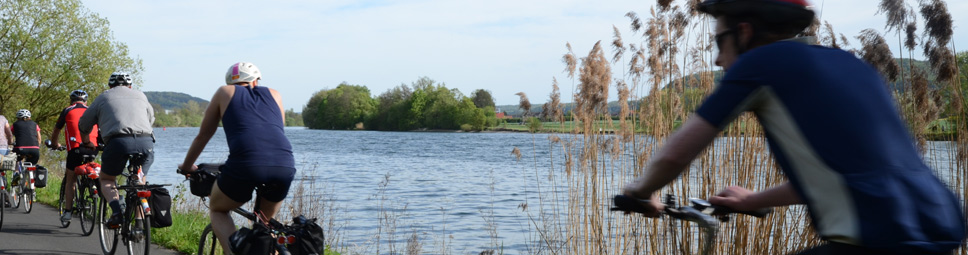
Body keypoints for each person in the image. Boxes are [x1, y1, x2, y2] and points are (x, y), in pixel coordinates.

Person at [621, 0, 966, 254]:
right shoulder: (849, 63)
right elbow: (844, 174)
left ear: (744, 32)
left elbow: (677, 152)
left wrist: (638, 193)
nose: (716, 59)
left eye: (718, 42)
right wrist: (753, 199)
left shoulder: (760, 64)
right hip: (936, 230)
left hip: (875, 239)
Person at [178, 62, 296, 253]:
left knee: (218, 209)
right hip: (284, 164)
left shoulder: (225, 92)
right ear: (256, 81)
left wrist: (187, 166)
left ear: (231, 82)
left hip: (246, 164)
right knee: (265, 226)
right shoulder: (275, 94)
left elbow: (203, 136)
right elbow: (276, 130)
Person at [79, 72, 155, 229]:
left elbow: (84, 124)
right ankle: (140, 225)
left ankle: (117, 213)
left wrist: (87, 142)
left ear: (110, 86)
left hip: (118, 142)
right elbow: (151, 119)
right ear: (130, 86)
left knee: (106, 180)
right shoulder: (140, 95)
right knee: (140, 181)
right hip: (146, 142)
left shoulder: (104, 97)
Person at [49, 90, 100, 223]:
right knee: (91, 167)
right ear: (86, 101)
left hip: (75, 149)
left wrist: (54, 144)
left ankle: (68, 212)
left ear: (71, 101)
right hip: (93, 149)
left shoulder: (67, 110)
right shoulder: (93, 110)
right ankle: (93, 187)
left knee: (70, 179)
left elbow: (56, 130)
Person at [11, 109, 42, 173]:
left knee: (15, 160)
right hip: (34, 149)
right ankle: (31, 178)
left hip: (20, 148)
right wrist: (37, 146)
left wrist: (11, 143)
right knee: (32, 165)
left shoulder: (15, 124)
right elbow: (39, 137)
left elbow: (10, 135)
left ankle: (16, 173)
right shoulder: (35, 124)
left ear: (18, 118)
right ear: (29, 117)